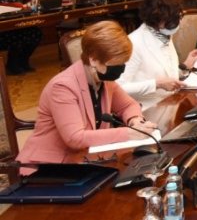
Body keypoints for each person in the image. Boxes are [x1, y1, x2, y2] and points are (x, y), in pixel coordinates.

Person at [17, 21, 157, 165]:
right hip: (49, 166)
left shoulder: (104, 79)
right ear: (93, 59)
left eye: (123, 63)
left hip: (87, 160)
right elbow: (75, 138)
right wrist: (129, 133)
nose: (120, 69)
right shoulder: (62, 87)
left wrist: (135, 121)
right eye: (115, 64)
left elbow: (128, 105)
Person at [117, 0, 197, 105]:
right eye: (172, 21)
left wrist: (184, 67)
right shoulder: (134, 43)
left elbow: (166, 75)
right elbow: (118, 88)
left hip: (169, 103)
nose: (177, 24)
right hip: (146, 108)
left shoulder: (164, 35)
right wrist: (156, 84)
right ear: (155, 20)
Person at [0, 0, 42, 75]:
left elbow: (20, 7)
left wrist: (27, 7)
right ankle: (12, 65)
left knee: (36, 33)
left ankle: (23, 61)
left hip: (16, 24)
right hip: (3, 28)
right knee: (17, 37)